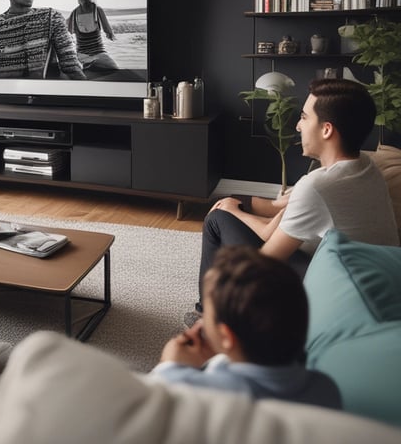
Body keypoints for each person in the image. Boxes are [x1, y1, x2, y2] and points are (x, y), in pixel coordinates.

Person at [192, 78, 398, 317]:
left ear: (327, 129)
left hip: (334, 295)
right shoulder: (366, 166)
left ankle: (205, 317)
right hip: (371, 284)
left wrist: (232, 212)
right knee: (229, 213)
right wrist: (243, 206)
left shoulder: (317, 185)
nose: (298, 126)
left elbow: (266, 259)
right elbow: (283, 209)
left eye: (304, 117)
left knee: (218, 219)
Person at [154, 246, 341, 409]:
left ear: (226, 336)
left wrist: (169, 365)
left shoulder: (182, 386)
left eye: (205, 317)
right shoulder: (327, 390)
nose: (200, 324)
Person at [66, 0, 118, 77]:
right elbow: (108, 31)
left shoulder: (74, 14)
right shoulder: (98, 10)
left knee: (77, 64)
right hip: (99, 53)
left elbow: (68, 34)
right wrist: (110, 34)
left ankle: (86, 64)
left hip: (81, 55)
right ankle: (91, 63)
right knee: (113, 67)